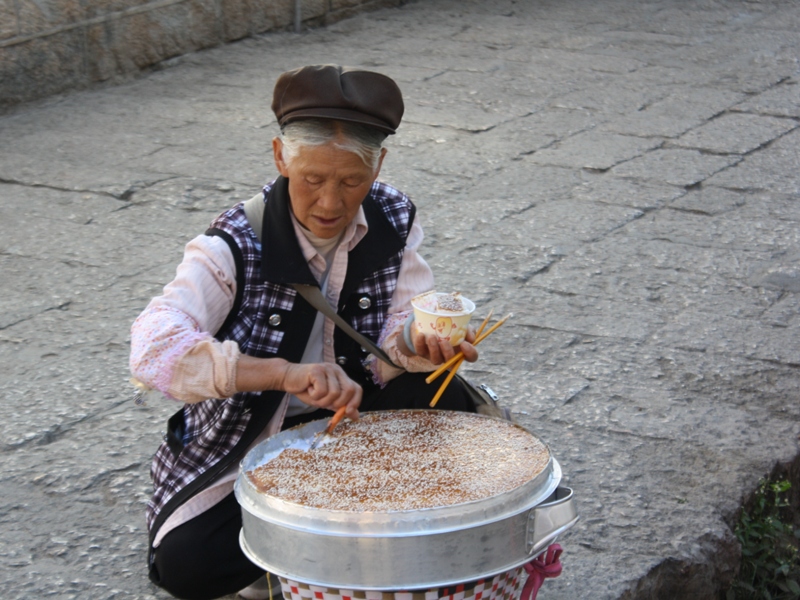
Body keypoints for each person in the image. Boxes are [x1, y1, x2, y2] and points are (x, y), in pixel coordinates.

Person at [130, 64, 480, 600]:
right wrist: (285, 375)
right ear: (280, 157)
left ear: (378, 165)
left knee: (446, 397)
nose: (331, 204)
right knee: (186, 566)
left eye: (352, 181)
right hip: (254, 434)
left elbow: (396, 333)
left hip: (356, 411)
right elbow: (153, 347)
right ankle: (331, 531)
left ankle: (345, 530)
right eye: (312, 179)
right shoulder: (234, 243)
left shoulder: (393, 217)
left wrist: (420, 343)